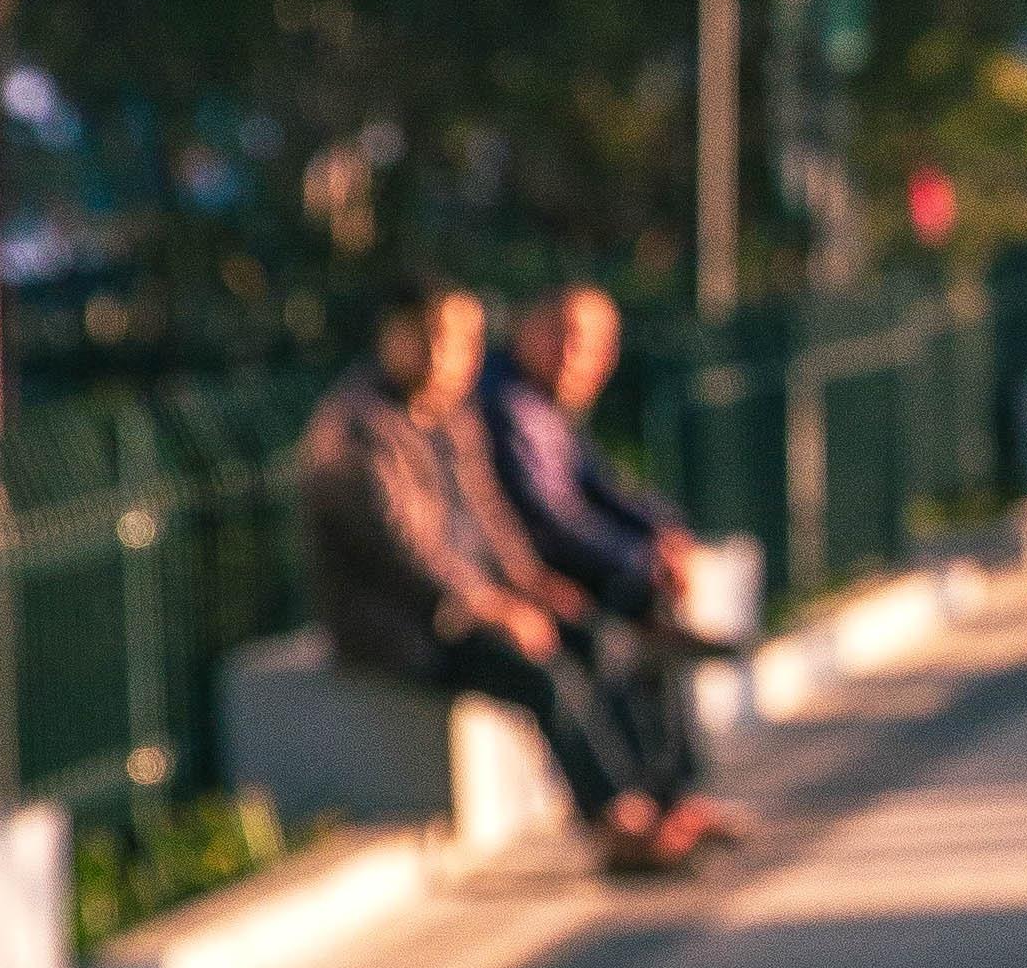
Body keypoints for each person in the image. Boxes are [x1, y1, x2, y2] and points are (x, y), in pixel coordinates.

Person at [297, 279, 696, 873]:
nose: (452, 357)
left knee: (597, 638)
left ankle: (657, 802)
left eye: (466, 341)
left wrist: (532, 583)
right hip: (405, 625)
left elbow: (491, 516)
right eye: (434, 337)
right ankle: (615, 823)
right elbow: (406, 552)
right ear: (394, 338)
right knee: (540, 675)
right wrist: (494, 605)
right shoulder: (356, 428)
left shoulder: (452, 417)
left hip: (472, 607)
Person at [482, 283, 738, 846]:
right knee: (618, 633)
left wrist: (662, 535)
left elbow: (598, 486)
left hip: (557, 571)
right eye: (564, 337)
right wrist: (641, 559)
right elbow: (544, 518)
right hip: (525, 579)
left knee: (650, 618)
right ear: (528, 330)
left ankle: (672, 799)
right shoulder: (505, 404)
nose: (576, 357)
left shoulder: (542, 405)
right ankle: (635, 809)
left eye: (594, 345)